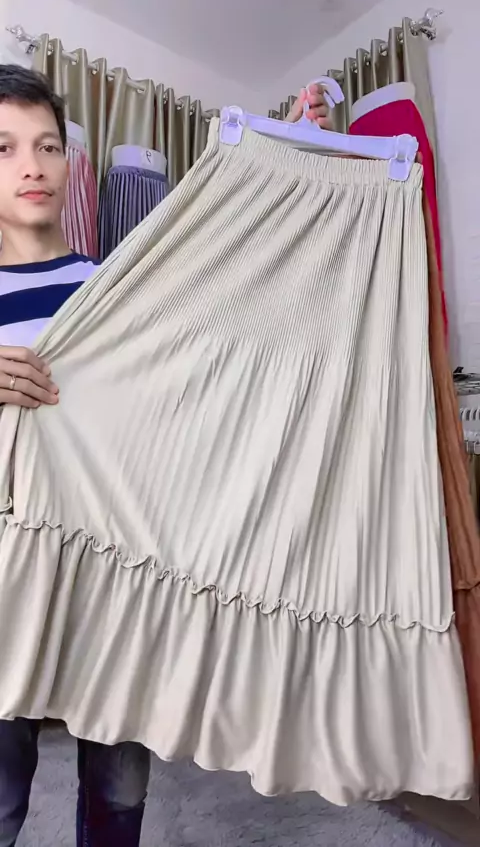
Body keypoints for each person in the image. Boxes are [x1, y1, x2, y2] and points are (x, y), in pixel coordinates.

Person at [0, 63, 331, 845]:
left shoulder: (112, 287)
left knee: (118, 794)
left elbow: (228, 292)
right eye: (4, 148)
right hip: (9, 576)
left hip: (118, 572)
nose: (32, 165)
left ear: (70, 162)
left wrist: (288, 158)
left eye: (48, 145)